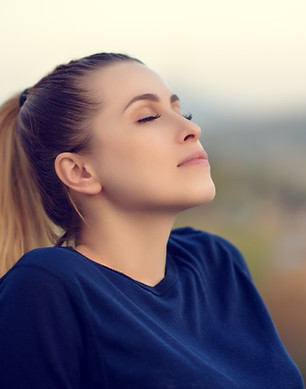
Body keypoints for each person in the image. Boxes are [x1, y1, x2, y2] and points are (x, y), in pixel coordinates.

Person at [0, 52, 303, 389]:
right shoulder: (48, 286)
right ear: (80, 171)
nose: (191, 128)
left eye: (180, 111)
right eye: (147, 117)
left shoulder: (216, 262)